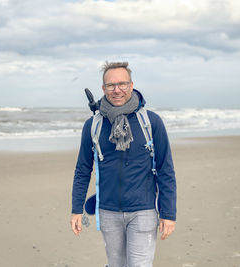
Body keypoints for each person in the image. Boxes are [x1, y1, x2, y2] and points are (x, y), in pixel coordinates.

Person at [70, 61, 176, 267]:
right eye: (110, 85)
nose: (116, 90)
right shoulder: (93, 125)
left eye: (122, 84)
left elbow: (166, 170)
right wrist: (76, 209)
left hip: (144, 209)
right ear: (103, 89)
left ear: (131, 84)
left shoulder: (151, 122)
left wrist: (168, 213)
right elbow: (82, 170)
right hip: (108, 210)